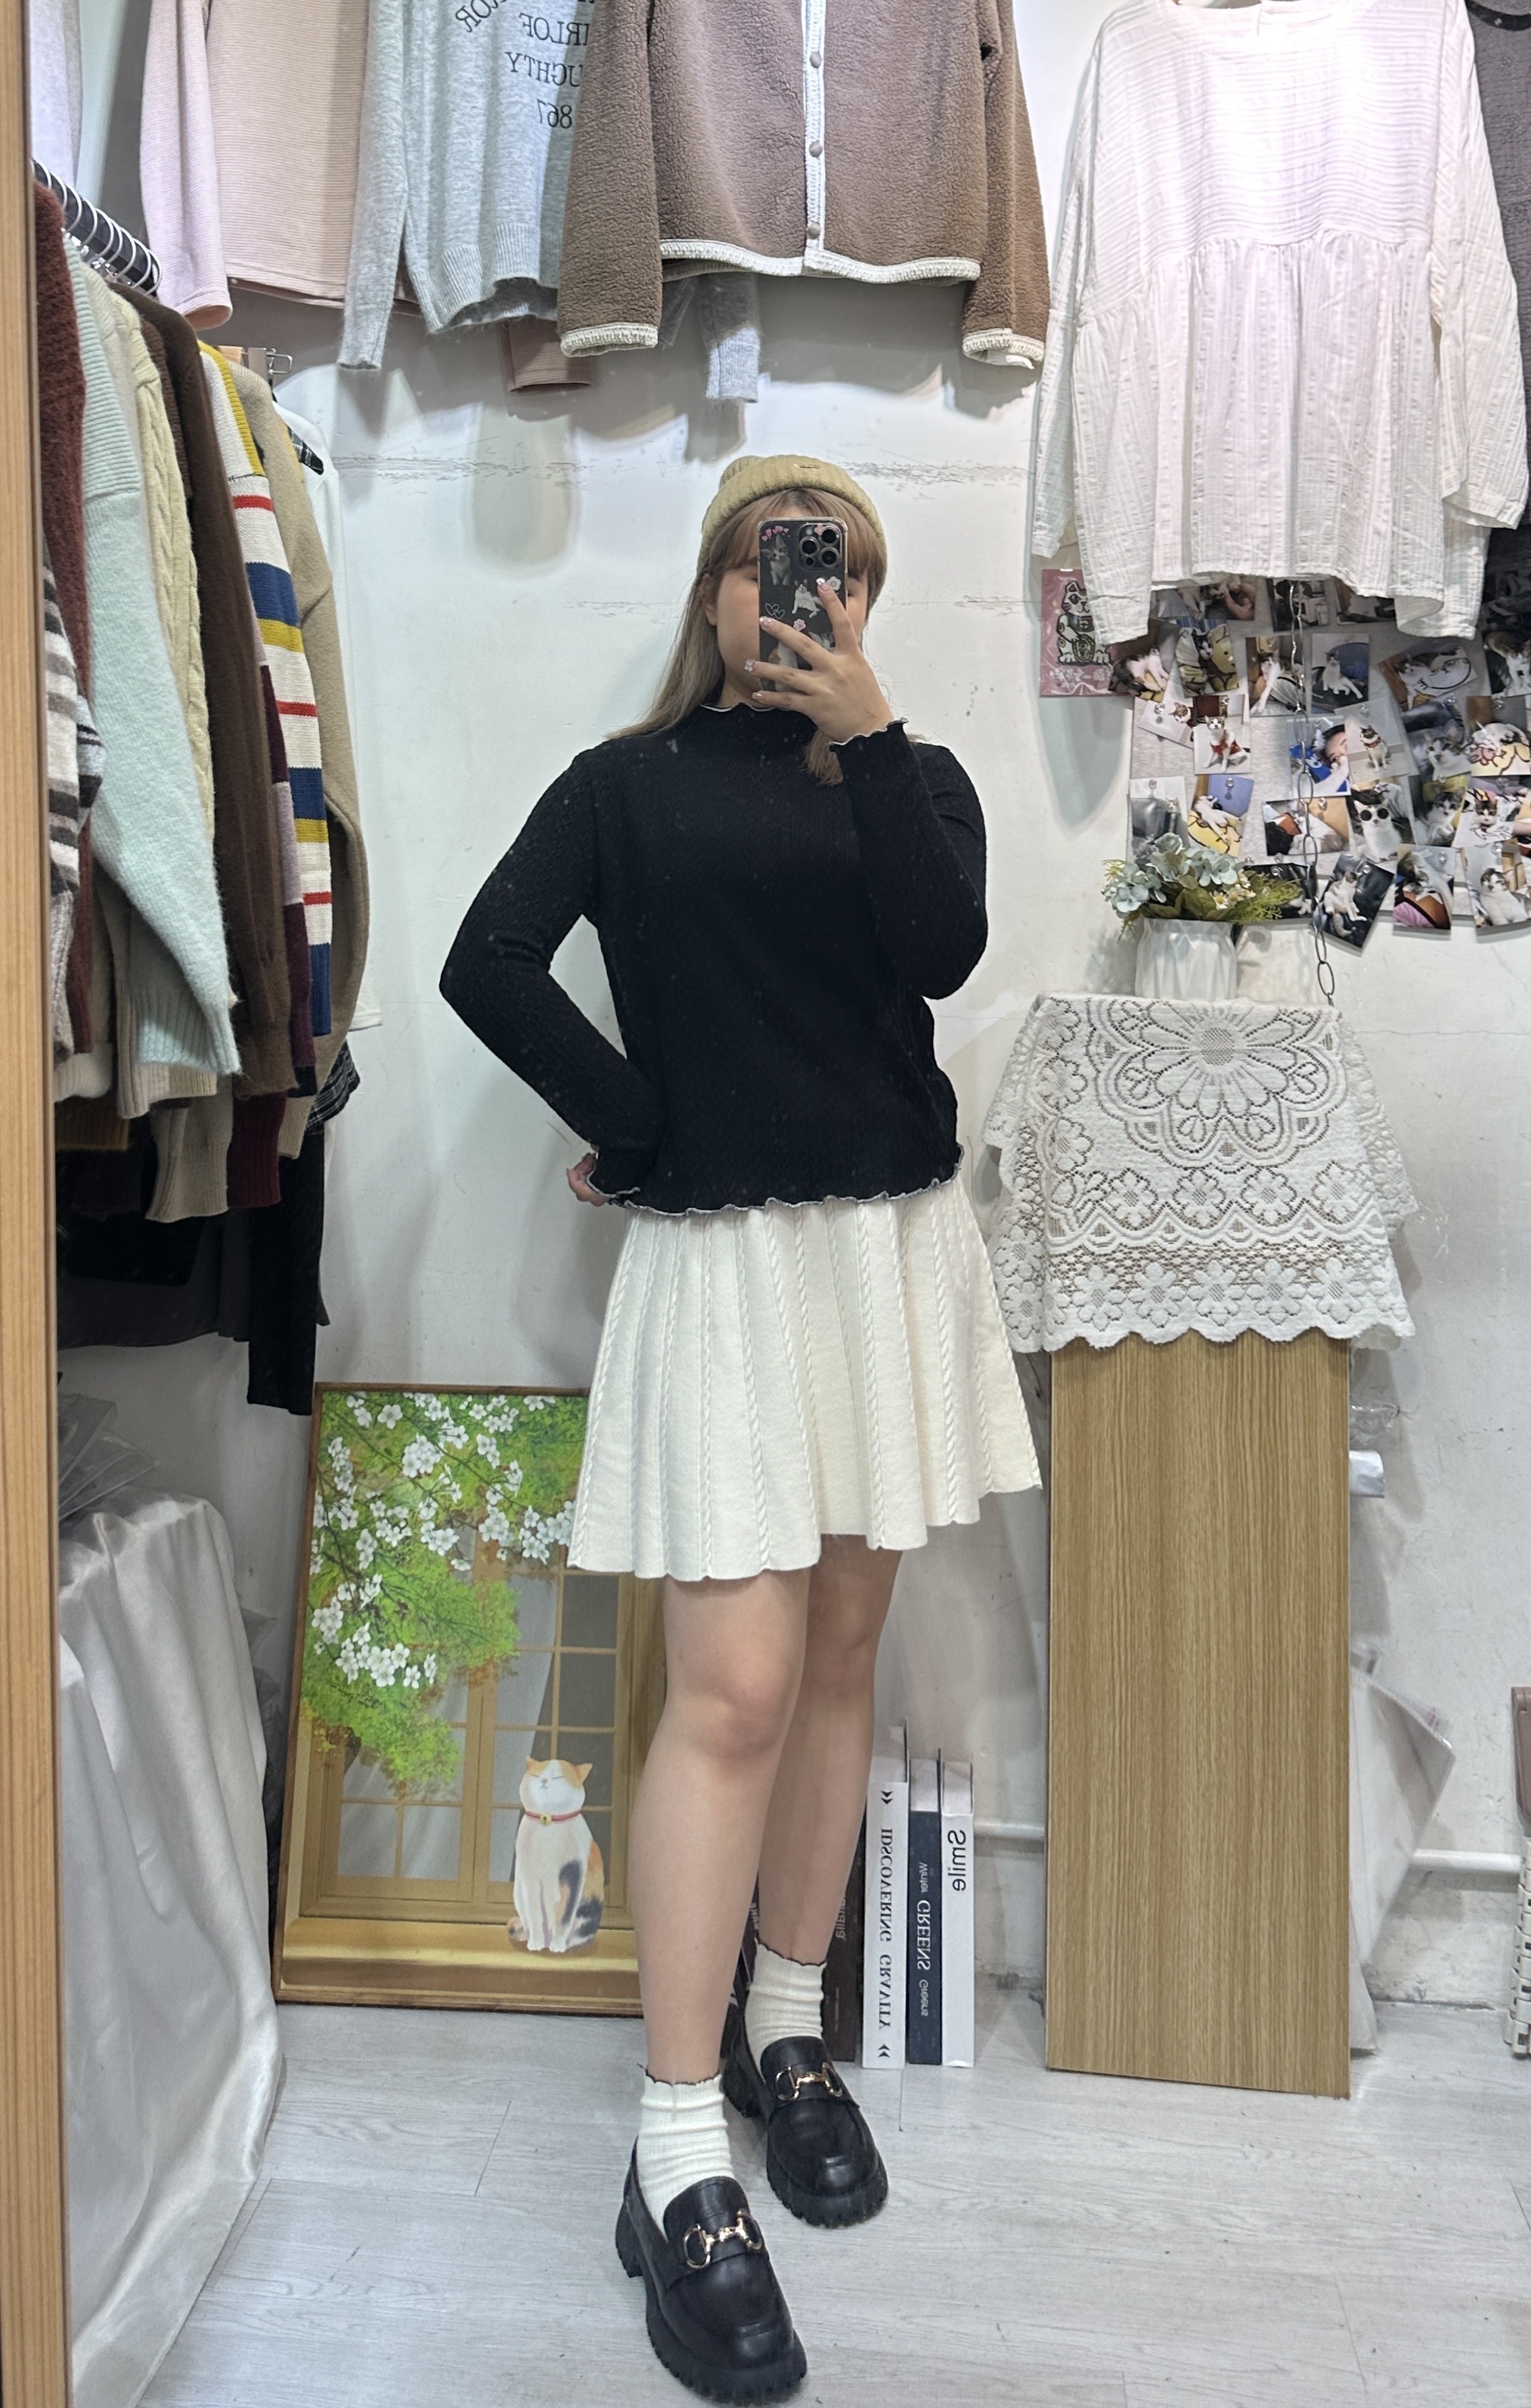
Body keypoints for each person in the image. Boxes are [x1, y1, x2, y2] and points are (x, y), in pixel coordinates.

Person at [440, 456, 1038, 2404]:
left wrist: (873, 734)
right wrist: (645, 1124)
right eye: (782, 566)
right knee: (734, 1690)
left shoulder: (912, 780)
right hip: (724, 1271)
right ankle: (677, 2137)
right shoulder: (622, 791)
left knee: (845, 1652)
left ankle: (791, 2026)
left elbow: (939, 951)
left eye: (842, 574)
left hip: (889, 1258)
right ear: (713, 586)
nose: (808, 597)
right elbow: (483, 962)